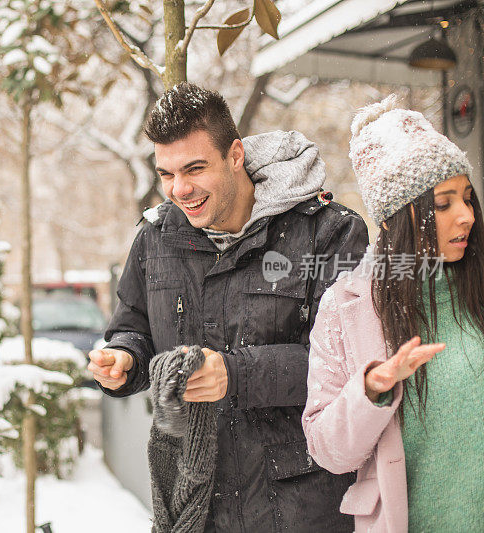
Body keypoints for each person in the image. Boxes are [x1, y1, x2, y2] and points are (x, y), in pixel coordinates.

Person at [88, 83, 369, 531]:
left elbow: (347, 364)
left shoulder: (328, 234)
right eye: (167, 174)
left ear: (235, 154)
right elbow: (134, 326)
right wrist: (124, 357)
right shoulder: (154, 239)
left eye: (195, 169)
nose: (180, 189)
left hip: (301, 508)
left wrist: (236, 373)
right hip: (196, 504)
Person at [303, 96, 484, 532]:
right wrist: (372, 388)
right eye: (443, 205)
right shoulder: (347, 307)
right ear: (391, 220)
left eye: (467, 198)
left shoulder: (477, 286)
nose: (467, 216)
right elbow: (326, 449)